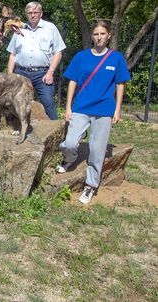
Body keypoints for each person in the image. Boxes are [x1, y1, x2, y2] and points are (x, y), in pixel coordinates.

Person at [57, 21, 130, 204]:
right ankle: (70, 158)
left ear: (109, 36)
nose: (99, 37)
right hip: (81, 107)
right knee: (70, 143)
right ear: (92, 36)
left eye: (102, 34)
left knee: (97, 151)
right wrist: (68, 107)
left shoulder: (116, 58)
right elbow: (72, 81)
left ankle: (90, 185)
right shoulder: (81, 57)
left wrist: (117, 110)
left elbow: (120, 84)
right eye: (96, 34)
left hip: (104, 109)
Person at [7, 1, 66, 120]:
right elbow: (13, 54)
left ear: (41, 13)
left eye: (35, 12)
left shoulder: (50, 28)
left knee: (48, 102)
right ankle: (18, 128)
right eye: (30, 13)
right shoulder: (19, 29)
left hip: (42, 74)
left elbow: (58, 52)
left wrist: (50, 72)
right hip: (21, 73)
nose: (32, 15)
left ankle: (56, 129)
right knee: (15, 102)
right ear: (26, 14)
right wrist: (9, 75)